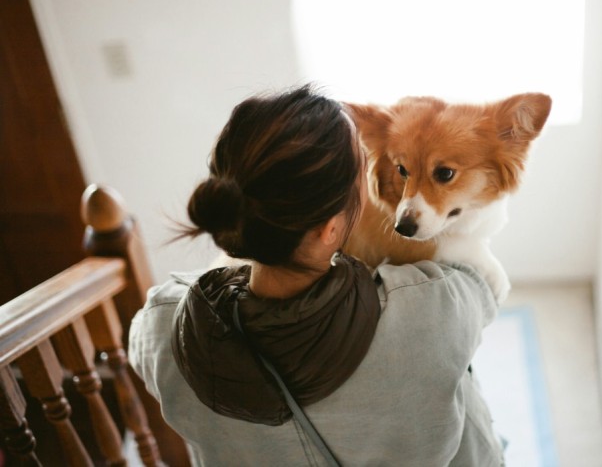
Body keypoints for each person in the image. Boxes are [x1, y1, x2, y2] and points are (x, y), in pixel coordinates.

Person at [128, 84, 504, 466]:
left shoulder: (161, 326)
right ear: (330, 229)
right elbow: (486, 284)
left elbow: (147, 347)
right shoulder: (436, 304)